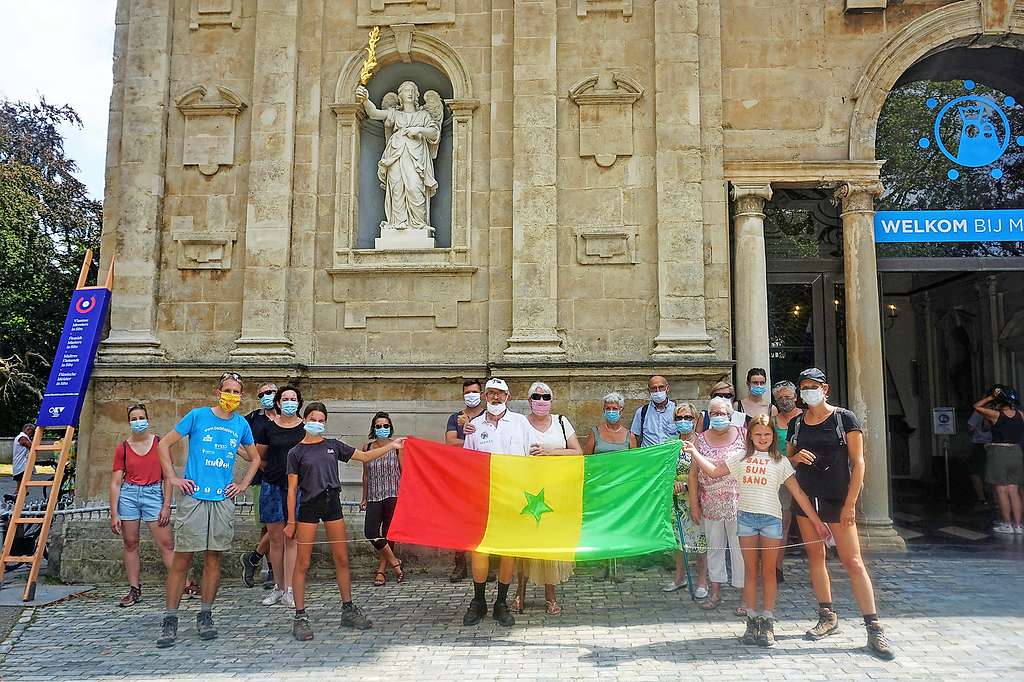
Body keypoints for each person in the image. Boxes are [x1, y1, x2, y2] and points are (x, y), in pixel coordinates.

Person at [688, 414, 829, 647]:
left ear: (773, 436)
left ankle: (768, 619)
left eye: (767, 434)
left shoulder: (780, 461)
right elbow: (713, 471)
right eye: (757, 434)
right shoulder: (739, 458)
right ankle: (752, 620)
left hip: (771, 520)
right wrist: (695, 453)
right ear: (750, 436)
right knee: (750, 572)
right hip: (746, 520)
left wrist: (816, 522)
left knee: (769, 572)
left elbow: (799, 494)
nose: (762, 438)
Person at [788, 367, 894, 660]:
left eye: (813, 385)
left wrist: (850, 504)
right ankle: (827, 614)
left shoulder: (844, 418)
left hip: (837, 497)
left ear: (826, 389)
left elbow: (858, 463)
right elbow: (788, 459)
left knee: (853, 561)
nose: (808, 390)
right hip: (807, 498)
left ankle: (873, 627)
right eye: (804, 386)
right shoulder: (797, 422)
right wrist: (795, 457)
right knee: (815, 557)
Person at [155, 372, 262, 648]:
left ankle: (205, 614)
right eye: (227, 390)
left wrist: (242, 485)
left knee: (214, 559)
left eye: (236, 392)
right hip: (194, 498)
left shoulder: (240, 424)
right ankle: (170, 619)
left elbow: (255, 458)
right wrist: (173, 477)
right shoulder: (198, 416)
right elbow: (164, 444)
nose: (232, 396)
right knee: (183, 559)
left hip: (222, 500)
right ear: (217, 392)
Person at [285, 402, 407, 641]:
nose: (317, 423)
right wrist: (291, 520)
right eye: (313, 419)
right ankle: (300, 615)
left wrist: (391, 445)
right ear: (305, 419)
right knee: (303, 562)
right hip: (309, 505)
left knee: (341, 558)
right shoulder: (296, 452)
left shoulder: (333, 446)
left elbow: (364, 456)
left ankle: (348, 608)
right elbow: (291, 490)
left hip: (332, 502)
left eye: (321, 420)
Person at [461, 378, 531, 627]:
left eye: (500, 394)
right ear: (485, 397)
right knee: (479, 549)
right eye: (491, 393)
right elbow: (467, 463)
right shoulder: (474, 426)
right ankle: (478, 601)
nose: (495, 398)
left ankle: (501, 603)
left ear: (508, 397)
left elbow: (529, 458)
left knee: (507, 551)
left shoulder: (521, 423)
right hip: (482, 496)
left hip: (512, 497)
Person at [512, 382, 582, 616]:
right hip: (526, 492)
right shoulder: (519, 423)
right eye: (536, 396)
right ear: (529, 399)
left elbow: (577, 452)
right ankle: (519, 594)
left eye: (546, 396)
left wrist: (550, 453)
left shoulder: (562, 422)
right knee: (524, 544)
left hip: (555, 492)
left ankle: (550, 596)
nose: (541, 400)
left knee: (551, 545)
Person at [109, 404, 174, 607]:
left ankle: (184, 582)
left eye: (141, 417)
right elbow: (116, 482)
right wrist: (114, 513)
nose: (138, 422)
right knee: (130, 543)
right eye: (134, 418)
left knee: (166, 544)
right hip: (129, 495)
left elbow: (169, 477)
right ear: (129, 422)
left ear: (148, 419)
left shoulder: (159, 444)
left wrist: (166, 505)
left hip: (153, 494)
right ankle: (134, 588)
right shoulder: (123, 448)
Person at [692, 396, 745, 612]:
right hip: (710, 504)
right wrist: (694, 504)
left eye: (722, 413)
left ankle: (745, 597)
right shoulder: (700, 440)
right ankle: (715, 592)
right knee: (714, 549)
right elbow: (693, 474)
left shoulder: (743, 435)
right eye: (713, 413)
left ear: (730, 415)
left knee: (740, 550)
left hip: (738, 503)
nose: (718, 417)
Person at [256, 386, 307, 608]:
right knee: (275, 540)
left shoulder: (305, 427)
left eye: (292, 399)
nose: (288, 402)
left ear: (298, 402)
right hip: (272, 486)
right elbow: (259, 457)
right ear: (277, 402)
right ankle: (278, 586)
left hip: (296, 488)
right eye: (284, 398)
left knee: (292, 539)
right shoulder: (268, 427)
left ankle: (290, 589)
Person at [582, 392, 631, 583]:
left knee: (619, 525)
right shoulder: (595, 433)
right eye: (608, 408)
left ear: (621, 410)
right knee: (601, 525)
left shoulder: (629, 436)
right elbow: (586, 459)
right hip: (600, 488)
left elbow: (635, 463)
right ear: (603, 411)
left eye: (615, 408)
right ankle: (602, 563)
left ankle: (618, 564)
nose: (611, 411)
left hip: (620, 488)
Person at [663, 403, 708, 599]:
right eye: (679, 418)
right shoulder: (670, 444)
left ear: (695, 420)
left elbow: (708, 472)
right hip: (675, 501)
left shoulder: (702, 443)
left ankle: (702, 581)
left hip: (697, 499)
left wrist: (689, 487)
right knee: (678, 542)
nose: (683, 422)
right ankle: (679, 577)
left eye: (687, 418)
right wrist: (671, 483)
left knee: (700, 541)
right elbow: (663, 470)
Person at [443, 378, 485, 581]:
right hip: (459, 474)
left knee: (483, 518)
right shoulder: (455, 417)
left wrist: (471, 435)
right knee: (458, 519)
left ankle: (486, 564)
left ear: (482, 394)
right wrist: (472, 441)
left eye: (474, 391)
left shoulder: (488, 416)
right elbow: (450, 442)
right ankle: (460, 564)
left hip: (483, 474)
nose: (471, 395)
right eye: (467, 392)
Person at [240, 382, 278, 590]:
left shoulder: (288, 414)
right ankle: (271, 569)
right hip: (262, 479)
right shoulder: (253, 419)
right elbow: (242, 443)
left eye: (270, 392)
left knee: (282, 523)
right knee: (267, 525)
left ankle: (253, 558)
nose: (267, 396)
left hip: (286, 478)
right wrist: (242, 453)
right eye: (262, 394)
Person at [360, 411, 404, 586]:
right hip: (374, 496)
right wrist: (364, 498)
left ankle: (381, 570)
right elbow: (365, 475)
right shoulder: (367, 448)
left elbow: (404, 471)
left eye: (386, 426)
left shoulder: (397, 447)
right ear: (373, 428)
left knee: (388, 534)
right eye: (378, 426)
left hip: (393, 494)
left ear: (390, 427)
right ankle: (395, 563)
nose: (382, 428)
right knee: (370, 532)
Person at [973, 385, 1023, 534]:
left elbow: (976, 406)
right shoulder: (1021, 414)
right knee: (1014, 490)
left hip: (999, 453)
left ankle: (1007, 524)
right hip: (1016, 452)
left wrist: (990, 397)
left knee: (1001, 490)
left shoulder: (996, 415)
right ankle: (1019, 526)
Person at [772, 379, 802, 584]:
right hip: (781, 477)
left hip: (808, 476)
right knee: (783, 523)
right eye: (780, 398)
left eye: (788, 397)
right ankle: (777, 567)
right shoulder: (772, 422)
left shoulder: (807, 418)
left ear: (796, 397)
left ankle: (821, 565)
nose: (785, 401)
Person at [630, 375, 676, 448]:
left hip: (671, 456)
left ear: (667, 388)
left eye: (661, 387)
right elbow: (633, 436)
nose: (658, 391)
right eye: (654, 388)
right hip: (649, 457)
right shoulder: (642, 412)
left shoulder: (677, 410)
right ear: (649, 391)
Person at [966, 409, 992, 509]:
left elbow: (970, 428)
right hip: (997, 445)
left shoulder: (980, 411)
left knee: (975, 472)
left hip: (980, 444)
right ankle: (995, 500)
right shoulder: (1005, 410)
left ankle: (982, 499)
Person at [11, 423, 34, 490]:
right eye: (31, 431)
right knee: (21, 485)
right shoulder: (22, 437)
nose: (32, 433)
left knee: (21, 484)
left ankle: (17, 497)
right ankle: (16, 497)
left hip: (20, 464)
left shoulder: (21, 437)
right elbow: (31, 446)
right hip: (21, 464)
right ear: (27, 429)